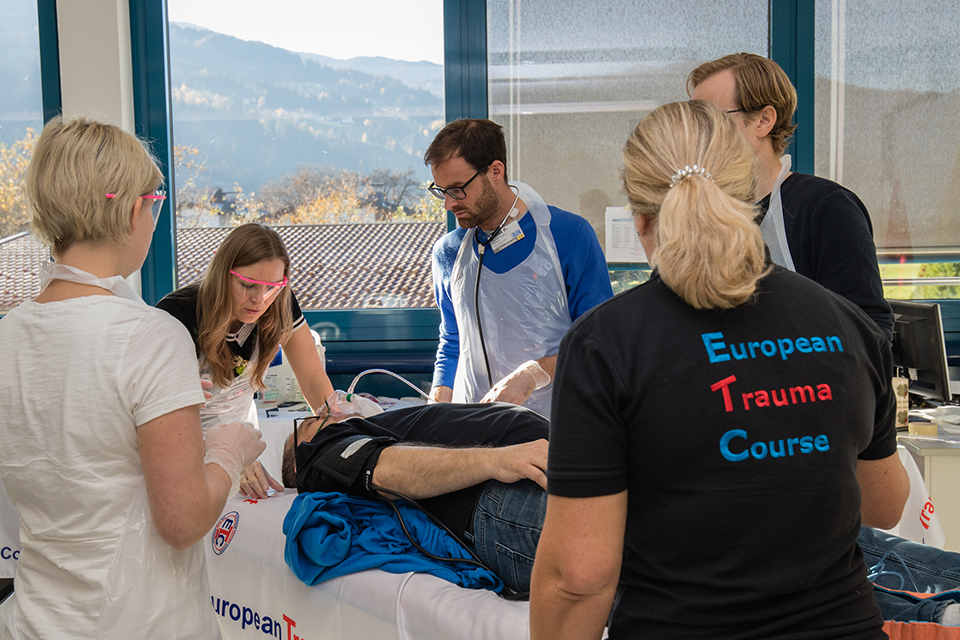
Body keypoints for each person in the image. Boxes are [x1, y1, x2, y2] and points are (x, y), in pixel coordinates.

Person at [530, 101, 910, 639]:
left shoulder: (606, 344)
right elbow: (884, 504)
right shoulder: (847, 323)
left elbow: (578, 576)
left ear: (640, 218)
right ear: (749, 199)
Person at [0, 117, 264, 638]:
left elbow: (71, 447)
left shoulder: (11, 333)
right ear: (129, 208)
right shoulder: (149, 336)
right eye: (155, 202)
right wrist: (228, 452)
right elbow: (184, 521)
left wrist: (168, 404)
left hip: (36, 619)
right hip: (138, 622)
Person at [688, 52, 894, 341]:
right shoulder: (706, 212)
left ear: (763, 121)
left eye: (710, 118)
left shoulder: (826, 207)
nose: (698, 133)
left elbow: (870, 332)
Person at [424, 119, 613, 419]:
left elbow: (599, 342)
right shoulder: (448, 253)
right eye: (441, 191)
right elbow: (452, 341)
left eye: (458, 190)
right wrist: (437, 406)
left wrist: (533, 375)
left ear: (495, 171)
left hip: (556, 428)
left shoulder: (569, 236)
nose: (448, 204)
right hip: (473, 431)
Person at [284, 401, 548, 592]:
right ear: (298, 465)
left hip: (539, 469)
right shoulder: (317, 453)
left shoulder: (376, 427)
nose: (322, 411)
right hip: (503, 496)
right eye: (311, 421)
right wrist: (499, 460)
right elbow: (383, 471)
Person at [157, 222, 335, 498]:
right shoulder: (178, 315)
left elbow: (314, 383)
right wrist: (227, 456)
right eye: (247, 284)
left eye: (272, 287)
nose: (259, 299)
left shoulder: (279, 303)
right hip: (183, 448)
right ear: (221, 269)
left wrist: (340, 434)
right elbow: (163, 423)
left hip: (241, 446)